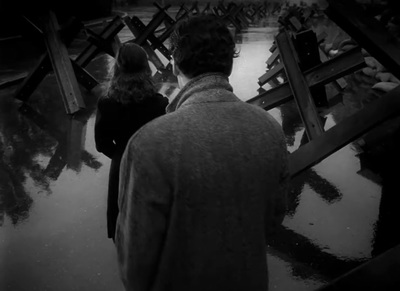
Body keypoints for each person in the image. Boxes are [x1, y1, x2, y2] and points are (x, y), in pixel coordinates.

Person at [115, 14, 289, 291]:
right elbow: (272, 219)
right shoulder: (270, 130)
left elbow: (135, 260)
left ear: (174, 64)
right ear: (229, 64)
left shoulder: (149, 144)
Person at [94, 42, 169, 241]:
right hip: (152, 166)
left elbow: (101, 143)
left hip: (121, 165)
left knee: (123, 225)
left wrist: (121, 154)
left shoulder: (106, 102)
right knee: (152, 226)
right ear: (146, 67)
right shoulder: (159, 103)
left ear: (117, 67)